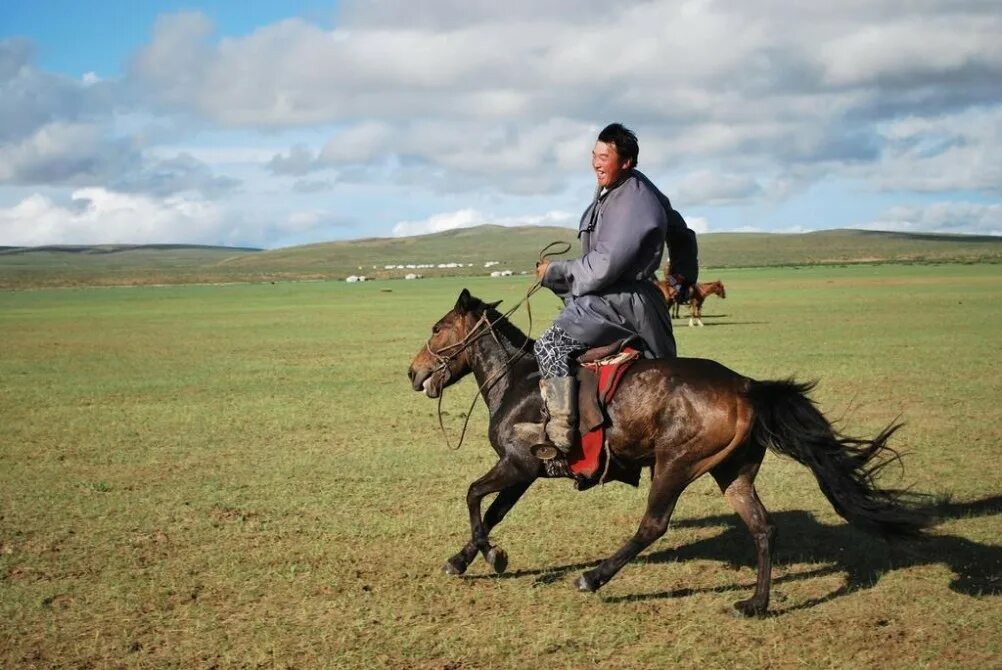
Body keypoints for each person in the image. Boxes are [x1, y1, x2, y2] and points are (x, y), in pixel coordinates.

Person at [518, 123, 698, 465]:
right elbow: (683, 235)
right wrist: (683, 275)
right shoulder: (628, 189)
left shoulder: (635, 200)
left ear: (626, 162)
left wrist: (554, 272)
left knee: (549, 346)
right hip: (616, 298)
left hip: (617, 303)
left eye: (605, 157)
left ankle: (560, 432)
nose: (596, 163)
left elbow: (604, 264)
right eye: (594, 155)